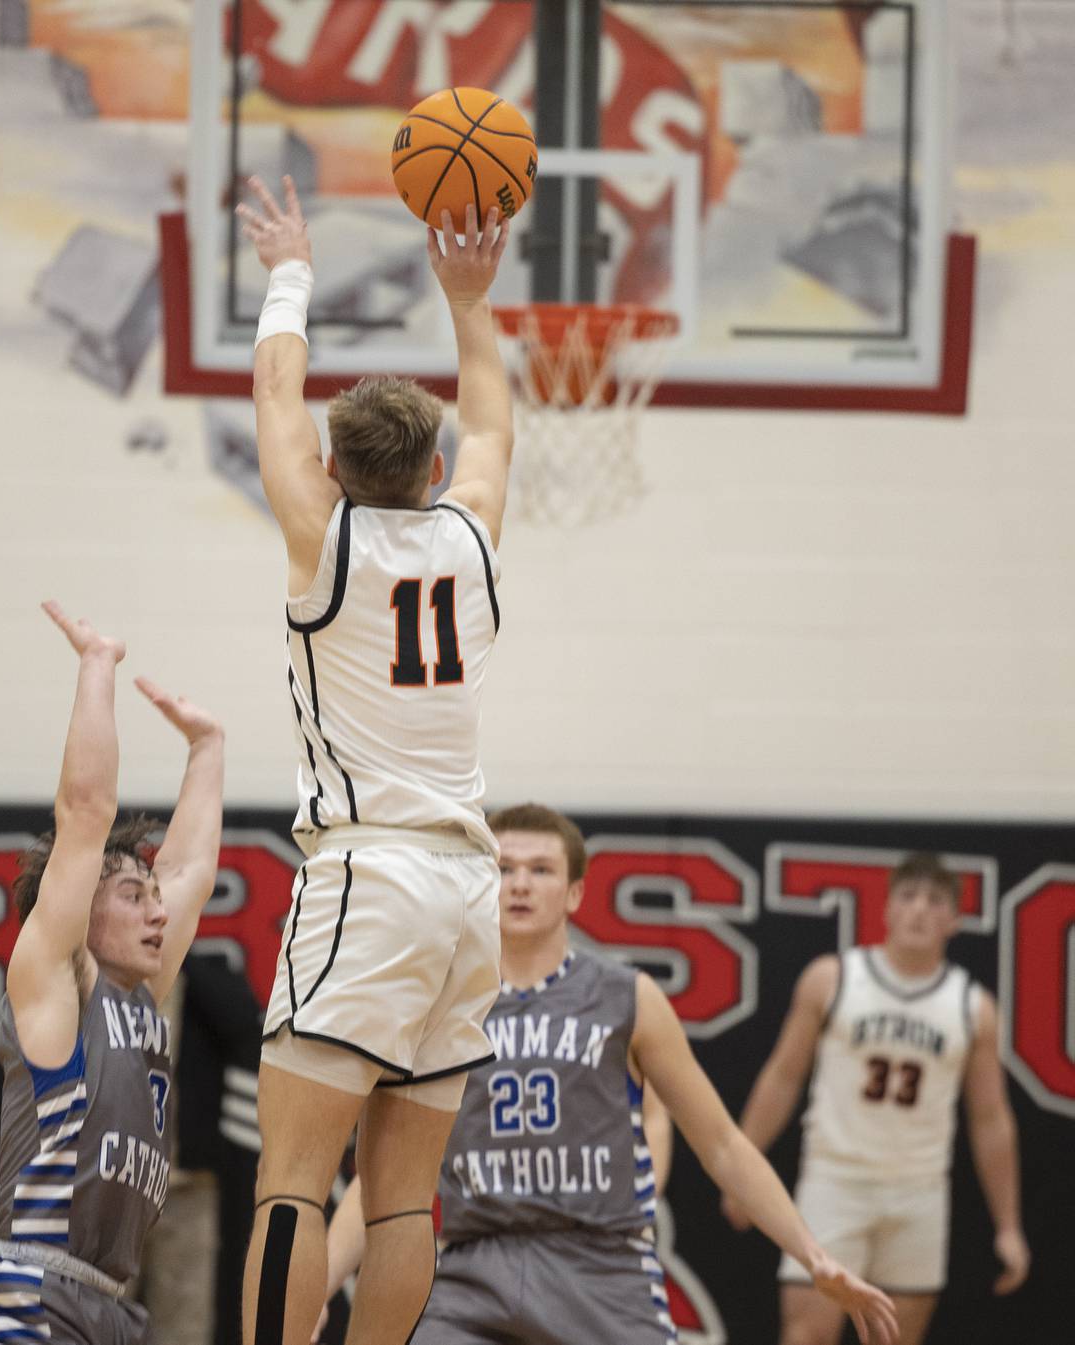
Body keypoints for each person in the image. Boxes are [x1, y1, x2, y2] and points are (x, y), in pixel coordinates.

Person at [234, 175, 515, 1345]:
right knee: (402, 1196)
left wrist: (290, 271)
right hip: (469, 892)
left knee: (293, 1181)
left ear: (337, 471)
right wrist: (469, 296)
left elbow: (274, 394)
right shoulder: (470, 531)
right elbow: (495, 421)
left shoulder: (326, 536)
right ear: (433, 466)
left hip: (371, 877)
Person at [319, 805, 900, 1345]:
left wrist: (812, 1255)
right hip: (474, 1263)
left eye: (541, 869)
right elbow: (385, 1176)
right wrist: (316, 1287)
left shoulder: (630, 998)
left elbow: (722, 1143)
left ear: (574, 893)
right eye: (504, 868)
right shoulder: (437, 1007)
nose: (520, 883)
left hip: (600, 1264)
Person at [0, 600, 225, 1345]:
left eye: (153, 897)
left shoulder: (142, 999)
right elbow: (87, 807)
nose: (158, 912)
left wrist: (208, 747)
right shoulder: (59, 983)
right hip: (27, 1289)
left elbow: (193, 870)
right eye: (134, 895)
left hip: (109, 1304)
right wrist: (97, 664)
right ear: (78, 912)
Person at [723, 852, 1029, 1345]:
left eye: (935, 901)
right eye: (908, 897)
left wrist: (1008, 1226)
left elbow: (990, 1118)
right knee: (806, 1336)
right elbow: (782, 1077)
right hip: (835, 1181)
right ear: (885, 910)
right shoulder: (834, 978)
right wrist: (740, 1173)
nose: (920, 910)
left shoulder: (973, 1006)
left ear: (954, 920)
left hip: (919, 1192)